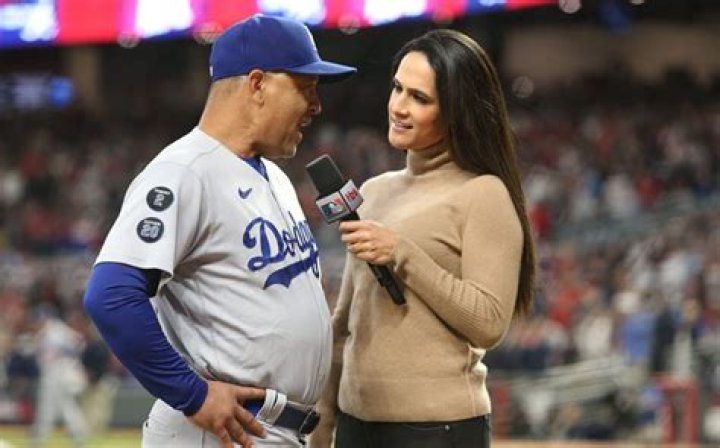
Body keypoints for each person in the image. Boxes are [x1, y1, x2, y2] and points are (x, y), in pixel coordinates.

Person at [83, 14, 355, 448]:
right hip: (223, 432)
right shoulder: (184, 171)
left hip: (279, 428)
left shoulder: (275, 175)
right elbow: (111, 295)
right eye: (305, 87)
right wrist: (191, 394)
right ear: (257, 84)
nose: (316, 105)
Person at [309, 29, 536, 448]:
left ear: (457, 110)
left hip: (438, 430)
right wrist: (322, 423)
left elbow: (488, 324)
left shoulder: (483, 194)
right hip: (357, 426)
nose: (399, 107)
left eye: (420, 98)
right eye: (398, 88)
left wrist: (402, 253)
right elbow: (347, 323)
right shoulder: (373, 191)